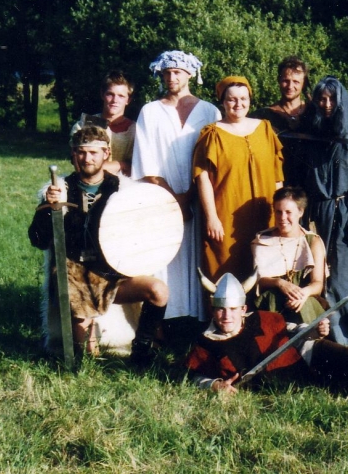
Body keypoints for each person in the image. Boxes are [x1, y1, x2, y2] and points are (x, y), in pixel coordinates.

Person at [29, 125, 169, 365]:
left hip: (114, 273)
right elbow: (38, 240)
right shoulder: (60, 190)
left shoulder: (124, 191)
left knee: (158, 291)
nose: (87, 159)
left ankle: (142, 351)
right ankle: (84, 348)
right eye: (81, 152)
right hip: (74, 277)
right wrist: (48, 208)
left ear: (106, 154)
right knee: (86, 355)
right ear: (73, 154)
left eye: (94, 152)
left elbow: (142, 235)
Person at [185, 273, 348, 396]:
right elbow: (195, 376)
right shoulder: (207, 343)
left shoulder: (260, 319)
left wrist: (312, 330)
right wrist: (215, 385)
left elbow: (291, 330)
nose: (226, 316)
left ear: (243, 309)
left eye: (232, 309)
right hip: (295, 379)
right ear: (213, 310)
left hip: (306, 354)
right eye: (221, 309)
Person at [132, 51, 220, 323]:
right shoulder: (150, 111)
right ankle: (163, 321)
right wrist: (174, 199)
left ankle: (197, 321)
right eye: (167, 72)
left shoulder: (209, 111)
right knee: (164, 257)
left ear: (190, 74)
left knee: (198, 257)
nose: (171, 77)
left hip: (199, 200)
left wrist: (190, 196)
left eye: (178, 72)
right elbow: (146, 160)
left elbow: (214, 157)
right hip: (161, 197)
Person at [298, 76, 348, 346]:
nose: (327, 104)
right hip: (315, 215)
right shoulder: (309, 136)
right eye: (321, 99)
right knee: (315, 274)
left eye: (332, 99)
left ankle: (347, 339)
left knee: (343, 276)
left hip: (344, 216)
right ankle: (318, 336)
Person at [193, 76, 284, 285]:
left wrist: (280, 212)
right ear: (223, 102)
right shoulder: (212, 134)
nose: (238, 104)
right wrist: (212, 217)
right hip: (226, 216)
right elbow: (203, 178)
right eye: (232, 99)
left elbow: (277, 176)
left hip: (266, 215)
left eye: (243, 99)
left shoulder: (265, 129)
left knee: (267, 269)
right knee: (227, 272)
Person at [252, 187, 327, 324]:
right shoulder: (263, 240)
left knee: (305, 307)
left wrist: (302, 294)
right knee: (272, 299)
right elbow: (258, 281)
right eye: (278, 212)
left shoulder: (313, 241)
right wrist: (280, 283)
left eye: (288, 212)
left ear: (300, 212)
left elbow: (317, 283)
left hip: (303, 299)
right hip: (272, 301)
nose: (282, 218)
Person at [250, 56, 310, 187]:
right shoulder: (263, 116)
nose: (290, 86)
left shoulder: (313, 114)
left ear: (304, 83)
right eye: (285, 81)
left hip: (311, 185)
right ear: (278, 80)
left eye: (296, 81)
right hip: (278, 183)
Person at [71, 71, 136, 176]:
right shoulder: (83, 125)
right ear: (102, 94)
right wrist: (122, 165)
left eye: (121, 96)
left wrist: (100, 166)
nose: (115, 100)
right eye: (110, 94)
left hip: (127, 183)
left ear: (128, 100)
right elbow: (81, 167)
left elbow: (136, 168)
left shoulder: (136, 131)